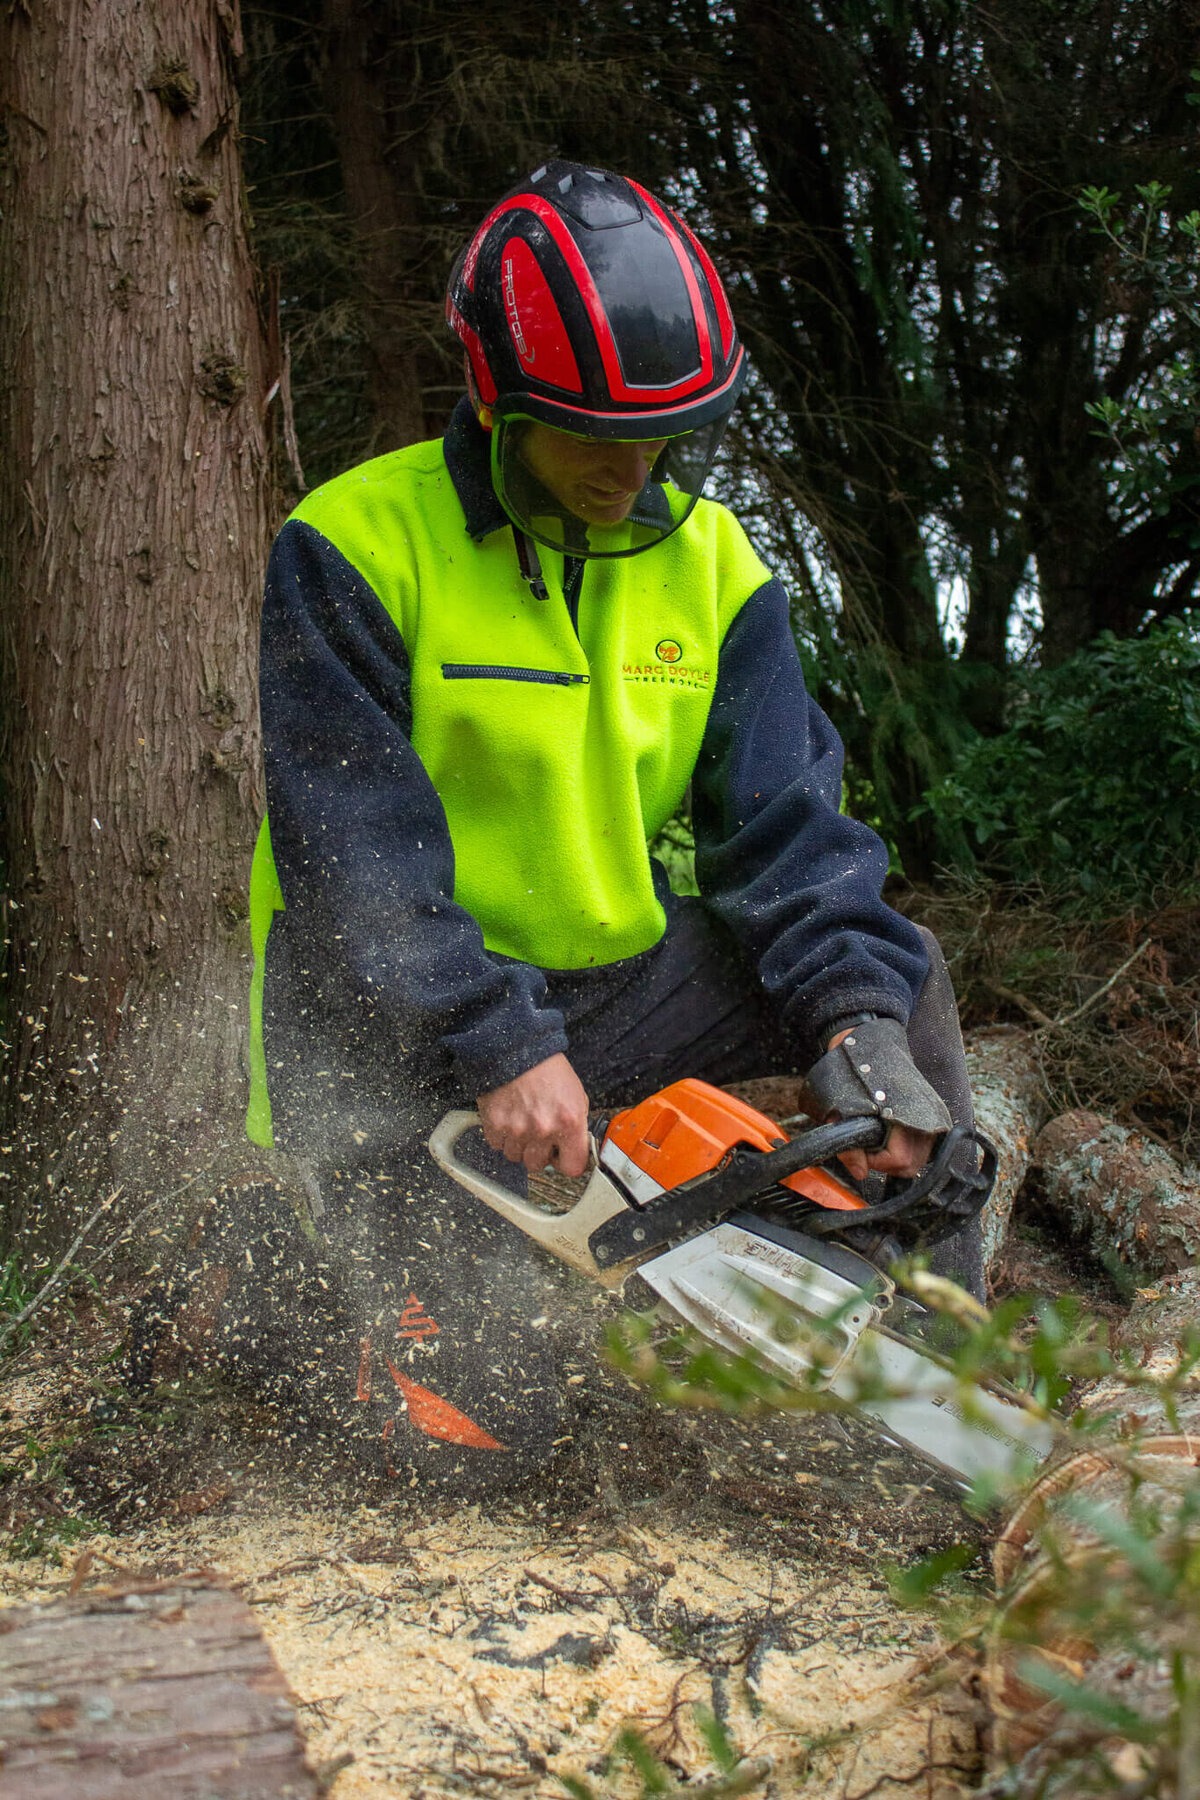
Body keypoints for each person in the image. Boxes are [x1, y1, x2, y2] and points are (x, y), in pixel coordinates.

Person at [237, 160, 981, 1493]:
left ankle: (932, 1362)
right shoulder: (352, 546)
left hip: (614, 997)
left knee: (896, 978)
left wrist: (855, 1029)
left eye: (657, 436)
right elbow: (355, 855)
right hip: (390, 1030)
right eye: (589, 433)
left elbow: (788, 835)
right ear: (495, 396)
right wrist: (493, 1037)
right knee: (488, 1448)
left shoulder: (715, 569)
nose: (626, 467)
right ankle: (365, 1304)